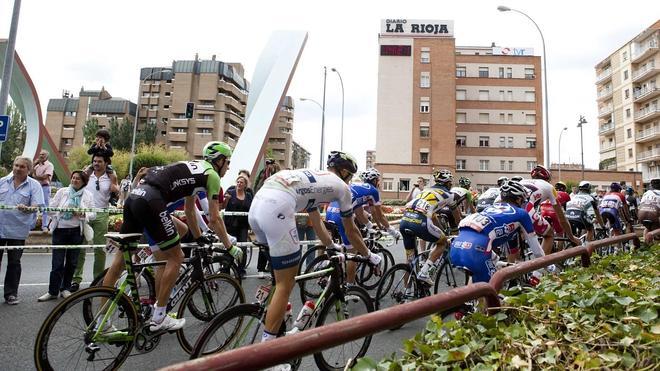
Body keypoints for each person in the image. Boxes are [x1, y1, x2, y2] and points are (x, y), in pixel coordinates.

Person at [103, 141, 240, 332]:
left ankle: (102, 321)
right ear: (219, 160)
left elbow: (189, 209)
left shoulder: (194, 168)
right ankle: (159, 318)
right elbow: (215, 218)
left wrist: (198, 237)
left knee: (120, 260)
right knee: (177, 257)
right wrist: (229, 246)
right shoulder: (213, 176)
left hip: (135, 197)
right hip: (152, 201)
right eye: (228, 162)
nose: (229, 167)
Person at [248, 151, 381, 347]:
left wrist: (329, 245)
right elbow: (351, 230)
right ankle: (268, 351)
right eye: (350, 175)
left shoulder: (316, 177)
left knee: (278, 279)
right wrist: (369, 255)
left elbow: (316, 220)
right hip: (277, 207)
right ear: (344, 172)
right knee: (287, 283)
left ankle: (272, 311)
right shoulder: (342, 188)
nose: (350, 180)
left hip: (258, 206)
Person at [450, 181, 553, 284]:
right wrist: (547, 265)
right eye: (523, 201)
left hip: (457, 245)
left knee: (484, 275)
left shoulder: (489, 208)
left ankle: (469, 298)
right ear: (518, 199)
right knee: (490, 293)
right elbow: (537, 251)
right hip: (476, 250)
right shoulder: (521, 213)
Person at [326, 167, 401, 283]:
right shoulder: (373, 191)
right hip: (341, 216)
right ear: (376, 181)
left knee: (340, 245)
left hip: (330, 212)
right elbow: (379, 215)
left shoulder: (357, 187)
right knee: (353, 252)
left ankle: (325, 267)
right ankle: (350, 286)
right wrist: (391, 230)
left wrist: (370, 226)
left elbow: (359, 212)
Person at [38, 171, 95, 301]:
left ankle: (65, 288)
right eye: (73, 178)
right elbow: (51, 209)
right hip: (60, 231)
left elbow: (93, 213)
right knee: (57, 263)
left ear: (83, 182)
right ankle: (52, 291)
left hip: (76, 232)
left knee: (72, 262)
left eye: (78, 179)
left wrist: (83, 214)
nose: (74, 180)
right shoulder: (62, 191)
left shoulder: (88, 195)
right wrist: (62, 210)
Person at [398, 169, 457, 286]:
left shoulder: (425, 190)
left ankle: (407, 293)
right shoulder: (449, 195)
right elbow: (457, 217)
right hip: (420, 222)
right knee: (443, 242)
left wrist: (442, 230)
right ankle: (425, 273)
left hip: (404, 221)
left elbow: (433, 216)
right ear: (448, 183)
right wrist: (458, 231)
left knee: (410, 261)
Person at [71, 154, 119, 292]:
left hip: (102, 213)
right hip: (85, 214)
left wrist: (117, 190)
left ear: (106, 163)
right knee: (81, 248)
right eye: (94, 161)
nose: (96, 163)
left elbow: (118, 193)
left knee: (100, 249)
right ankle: (76, 279)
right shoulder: (86, 175)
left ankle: (98, 279)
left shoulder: (111, 177)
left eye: (99, 161)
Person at [0, 156, 45, 305]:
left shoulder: (34, 186)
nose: (18, 168)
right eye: (16, 165)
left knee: (14, 263)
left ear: (29, 169)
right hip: (0, 227)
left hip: (18, 230)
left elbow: (37, 206)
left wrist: (28, 209)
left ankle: (11, 294)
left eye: (22, 167)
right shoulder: (2, 182)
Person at [520, 165, 580, 255]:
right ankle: (540, 267)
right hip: (526, 211)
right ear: (547, 179)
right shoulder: (549, 187)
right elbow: (561, 217)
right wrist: (571, 237)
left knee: (514, 252)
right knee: (550, 234)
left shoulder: (522, 181)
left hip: (501, 208)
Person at [223, 175, 253, 277]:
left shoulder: (248, 195)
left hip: (243, 225)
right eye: (238, 182)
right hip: (230, 224)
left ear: (245, 185)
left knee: (243, 247)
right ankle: (226, 268)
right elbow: (223, 206)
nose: (239, 184)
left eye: (241, 182)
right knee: (229, 245)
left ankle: (241, 269)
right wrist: (226, 200)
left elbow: (251, 209)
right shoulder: (230, 193)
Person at [87, 129, 119, 205]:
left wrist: (104, 147)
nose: (98, 139)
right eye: (97, 137)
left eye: (100, 138)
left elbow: (111, 154)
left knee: (113, 177)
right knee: (85, 172)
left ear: (105, 139)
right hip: (94, 164)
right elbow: (89, 152)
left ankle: (112, 197)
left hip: (106, 165)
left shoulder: (107, 146)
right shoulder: (95, 145)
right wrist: (96, 147)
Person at [32, 150, 54, 232]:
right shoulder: (36, 166)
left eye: (43, 155)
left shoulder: (49, 165)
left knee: (45, 207)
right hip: (36, 188)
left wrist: (36, 176)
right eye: (40, 154)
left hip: (45, 187)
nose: (41, 156)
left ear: (47, 156)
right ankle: (32, 225)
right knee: (33, 206)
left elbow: (44, 177)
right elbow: (31, 174)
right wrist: (34, 165)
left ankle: (44, 226)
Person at [638, 177, 660, 243]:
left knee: (647, 227)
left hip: (641, 215)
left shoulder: (646, 193)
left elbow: (640, 205)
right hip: (653, 215)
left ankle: (646, 245)